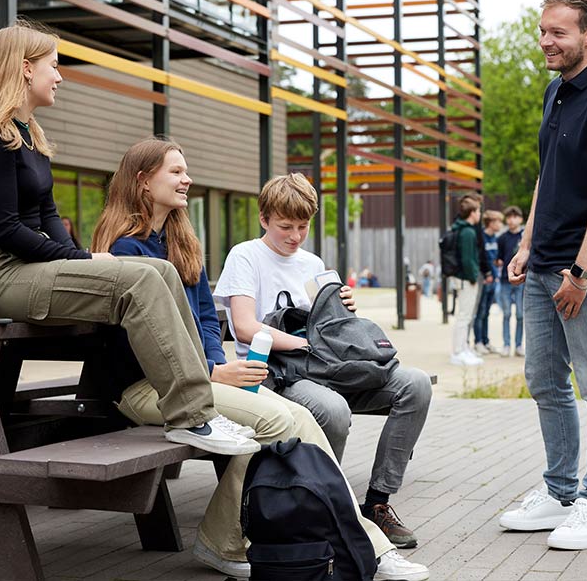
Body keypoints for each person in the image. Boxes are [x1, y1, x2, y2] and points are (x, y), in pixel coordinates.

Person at [89, 139, 421, 580]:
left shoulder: (181, 241)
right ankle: (358, 544)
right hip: (150, 387)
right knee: (284, 420)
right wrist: (211, 372)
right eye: (176, 171)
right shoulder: (124, 251)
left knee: (294, 418)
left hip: (195, 381)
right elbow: (137, 342)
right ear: (143, 181)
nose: (187, 178)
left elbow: (209, 321)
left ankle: (271, 537)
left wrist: (213, 365)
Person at [0, 20, 256, 458]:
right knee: (137, 280)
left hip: (27, 266)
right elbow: (7, 230)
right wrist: (81, 260)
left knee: (162, 270)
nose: (59, 76)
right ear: (24, 69)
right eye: (53, 66)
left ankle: (203, 402)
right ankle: (191, 417)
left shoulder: (29, 137)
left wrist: (81, 259)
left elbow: (46, 214)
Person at [214, 173, 433, 558]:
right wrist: (306, 343)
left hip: (325, 365)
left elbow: (332, 327)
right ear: (264, 219)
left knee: (414, 383)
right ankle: (321, 504)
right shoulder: (245, 255)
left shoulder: (312, 262)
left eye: (303, 226)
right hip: (275, 370)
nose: (295, 235)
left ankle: (377, 502)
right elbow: (246, 328)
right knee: (333, 409)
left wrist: (343, 309)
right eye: (285, 226)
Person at [499, 0, 587, 550]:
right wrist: (528, 244)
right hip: (544, 263)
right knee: (545, 382)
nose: (545, 41)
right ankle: (557, 492)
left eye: (557, 32)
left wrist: (579, 272)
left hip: (586, 273)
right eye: (543, 30)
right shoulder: (556, 91)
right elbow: (546, 176)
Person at [449, 196, 486, 366]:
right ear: (472, 213)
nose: (479, 214)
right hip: (466, 280)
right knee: (464, 317)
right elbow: (468, 259)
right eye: (478, 211)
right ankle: (458, 352)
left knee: (465, 316)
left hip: (462, 278)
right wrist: (473, 277)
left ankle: (463, 348)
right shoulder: (468, 232)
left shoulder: (462, 229)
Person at [496, 205, 526, 357]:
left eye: (514, 217)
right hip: (505, 281)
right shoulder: (502, 238)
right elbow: (499, 258)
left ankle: (519, 344)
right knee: (506, 313)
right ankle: (506, 344)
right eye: (508, 217)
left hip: (521, 280)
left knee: (521, 314)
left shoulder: (525, 236)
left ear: (520, 219)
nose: (511, 220)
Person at [472, 210, 503, 355]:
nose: (500, 224)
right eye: (498, 221)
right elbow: (481, 258)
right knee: (480, 312)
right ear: (491, 222)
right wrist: (486, 274)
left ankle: (485, 340)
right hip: (485, 280)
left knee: (487, 312)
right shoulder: (482, 237)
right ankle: (477, 342)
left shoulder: (494, 239)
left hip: (494, 279)